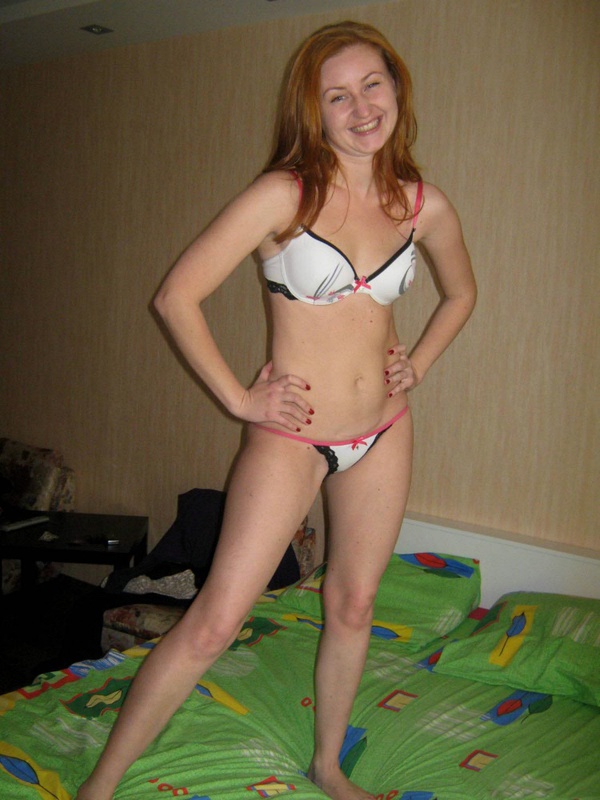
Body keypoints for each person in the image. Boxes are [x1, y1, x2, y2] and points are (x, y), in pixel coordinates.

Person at [76, 19, 476, 800]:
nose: (361, 106)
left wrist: (419, 364)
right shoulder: (282, 195)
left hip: (383, 429)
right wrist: (239, 398)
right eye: (338, 95)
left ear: (397, 89)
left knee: (353, 603)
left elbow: (462, 294)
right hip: (291, 437)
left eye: (372, 84)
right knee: (214, 622)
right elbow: (176, 296)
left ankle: (327, 765)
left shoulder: (422, 205)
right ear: (313, 111)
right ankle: (101, 787)